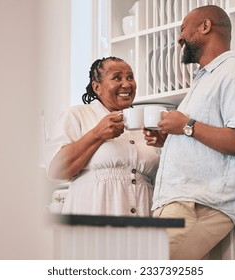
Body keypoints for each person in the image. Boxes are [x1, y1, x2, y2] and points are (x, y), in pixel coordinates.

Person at [144, 5, 235, 259]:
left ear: (205, 26)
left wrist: (186, 126)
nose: (179, 38)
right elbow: (201, 136)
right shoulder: (204, 80)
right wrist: (171, 138)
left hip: (200, 205)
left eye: (183, 29)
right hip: (184, 204)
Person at [44, 57, 160, 216]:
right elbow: (56, 172)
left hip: (142, 220)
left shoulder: (145, 124)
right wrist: (97, 134)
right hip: (92, 218)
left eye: (130, 77)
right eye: (117, 78)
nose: (126, 84)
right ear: (97, 87)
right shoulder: (78, 115)